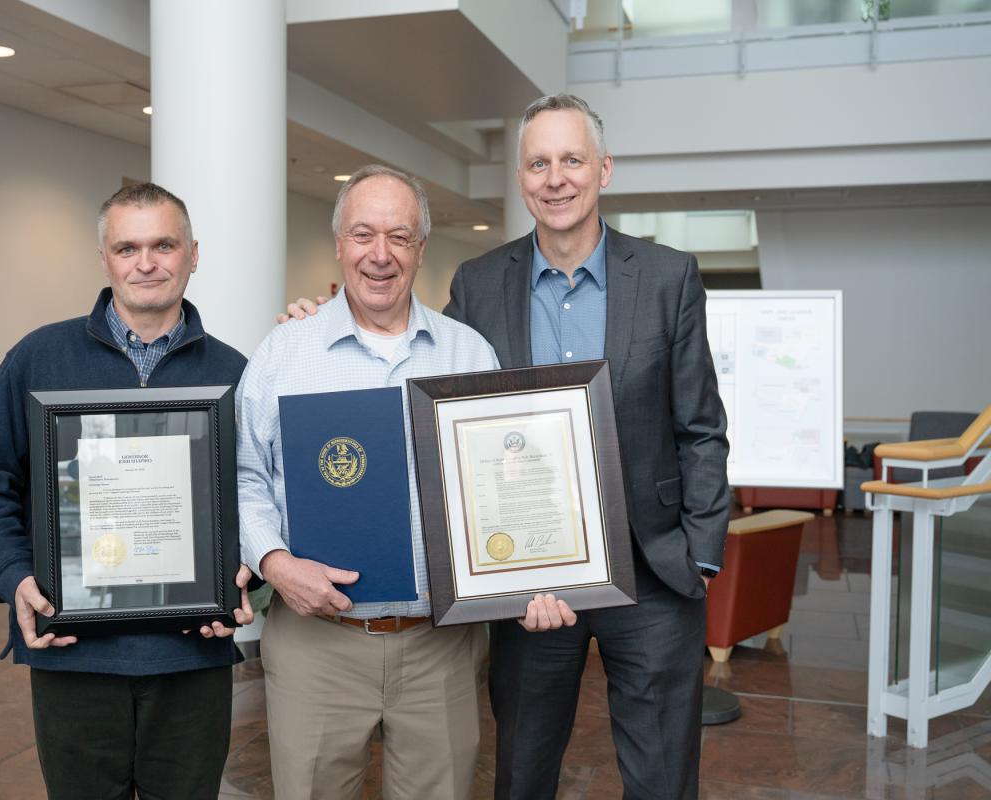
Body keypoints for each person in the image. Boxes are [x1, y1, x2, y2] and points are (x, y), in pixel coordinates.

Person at [283, 95, 730, 799]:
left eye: (571, 160)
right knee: (521, 768)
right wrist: (322, 319)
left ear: (603, 169)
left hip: (652, 573)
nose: (555, 179)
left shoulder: (669, 277)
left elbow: (701, 427)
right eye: (538, 163)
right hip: (523, 578)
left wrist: (702, 555)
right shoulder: (480, 284)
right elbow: (434, 390)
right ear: (521, 180)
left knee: (663, 774)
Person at [0, 182, 255, 799]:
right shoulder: (38, 358)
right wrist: (14, 577)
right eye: (128, 247)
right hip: (73, 650)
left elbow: (262, 495)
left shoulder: (234, 372)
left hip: (191, 655)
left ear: (194, 254)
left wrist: (249, 577)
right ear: (105, 259)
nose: (147, 262)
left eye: (164, 245)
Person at [237, 165, 500, 799]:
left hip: (440, 644)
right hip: (315, 647)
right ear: (338, 244)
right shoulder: (283, 352)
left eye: (398, 236)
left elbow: (496, 486)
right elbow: (246, 474)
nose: (379, 255)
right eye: (362, 234)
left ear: (420, 248)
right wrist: (273, 562)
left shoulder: (470, 355)